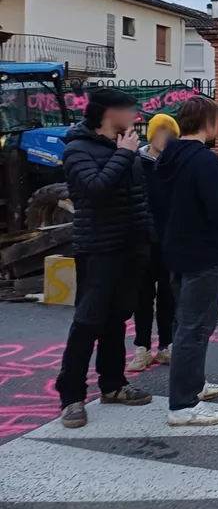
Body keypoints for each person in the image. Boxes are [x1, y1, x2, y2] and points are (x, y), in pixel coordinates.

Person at [55, 88, 154, 429]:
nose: (135, 115)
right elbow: (95, 190)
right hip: (98, 248)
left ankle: (112, 384)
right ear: (108, 113)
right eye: (129, 109)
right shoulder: (77, 149)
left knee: (117, 318)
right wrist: (125, 155)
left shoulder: (124, 148)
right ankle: (71, 397)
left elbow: (140, 198)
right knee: (88, 321)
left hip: (131, 247)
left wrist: (148, 239)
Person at [158, 96, 218, 426]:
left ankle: (193, 385)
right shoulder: (206, 162)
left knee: (183, 324)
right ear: (208, 123)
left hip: (175, 251)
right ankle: (183, 405)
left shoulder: (167, 157)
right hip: (204, 254)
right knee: (194, 330)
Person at [128, 113, 179, 372]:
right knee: (143, 294)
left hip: (169, 239)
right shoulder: (137, 163)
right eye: (161, 133)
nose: (165, 139)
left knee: (168, 293)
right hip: (143, 239)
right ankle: (142, 348)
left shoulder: (175, 164)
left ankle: (167, 345)